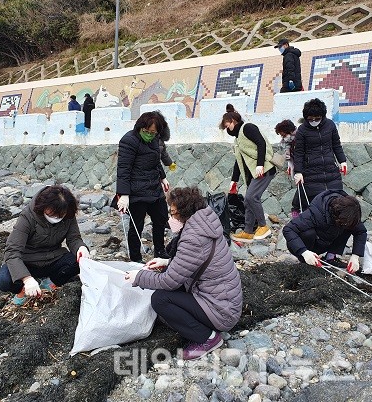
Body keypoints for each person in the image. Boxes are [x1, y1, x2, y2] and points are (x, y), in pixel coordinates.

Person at [125, 187, 243, 360]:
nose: (170, 218)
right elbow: (194, 262)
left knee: (160, 300)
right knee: (168, 290)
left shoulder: (193, 238)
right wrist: (166, 262)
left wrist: (138, 277)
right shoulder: (205, 223)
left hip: (222, 311)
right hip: (224, 300)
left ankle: (207, 338)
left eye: (173, 214)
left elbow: (168, 282)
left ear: (185, 214)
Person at [0, 185, 90, 306]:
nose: (56, 218)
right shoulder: (27, 217)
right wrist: (26, 278)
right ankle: (22, 290)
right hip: (27, 262)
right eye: (53, 215)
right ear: (43, 207)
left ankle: (50, 282)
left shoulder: (68, 214)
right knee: (3, 280)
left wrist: (80, 247)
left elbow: (74, 238)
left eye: (60, 216)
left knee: (79, 261)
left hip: (52, 258)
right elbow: (12, 251)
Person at [115, 111, 170, 262]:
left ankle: (160, 251)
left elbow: (155, 159)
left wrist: (163, 177)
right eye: (147, 131)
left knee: (161, 218)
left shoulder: (154, 138)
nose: (150, 135)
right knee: (136, 225)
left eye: (153, 132)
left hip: (154, 187)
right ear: (140, 127)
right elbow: (123, 169)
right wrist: (124, 194)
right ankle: (136, 258)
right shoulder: (128, 140)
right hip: (136, 189)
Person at [220, 104, 276, 243]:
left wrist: (260, 164)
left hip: (264, 169)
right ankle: (248, 231)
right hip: (252, 173)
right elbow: (239, 161)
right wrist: (234, 181)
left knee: (252, 197)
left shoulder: (248, 127)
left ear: (233, 121)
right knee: (247, 201)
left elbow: (261, 143)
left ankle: (263, 227)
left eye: (227, 126)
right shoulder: (237, 139)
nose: (227, 129)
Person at [283, 189, 367, 274]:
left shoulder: (350, 211)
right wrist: (304, 252)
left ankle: (330, 257)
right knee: (308, 233)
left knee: (349, 227)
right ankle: (306, 260)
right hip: (308, 245)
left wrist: (355, 256)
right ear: (337, 215)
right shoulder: (316, 212)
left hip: (327, 242)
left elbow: (361, 232)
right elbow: (288, 229)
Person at [293, 98, 348, 213]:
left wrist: (342, 161)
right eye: (310, 119)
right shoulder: (302, 130)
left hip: (331, 170)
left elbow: (336, 145)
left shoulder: (330, 125)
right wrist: (298, 172)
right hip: (311, 173)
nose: (314, 121)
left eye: (317, 118)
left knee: (336, 203)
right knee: (317, 206)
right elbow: (298, 153)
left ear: (322, 116)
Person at [275, 119, 299, 217]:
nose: (283, 138)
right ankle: (296, 211)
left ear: (289, 132)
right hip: (297, 168)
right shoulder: (288, 143)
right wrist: (290, 165)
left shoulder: (300, 138)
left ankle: (296, 210)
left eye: (283, 135)